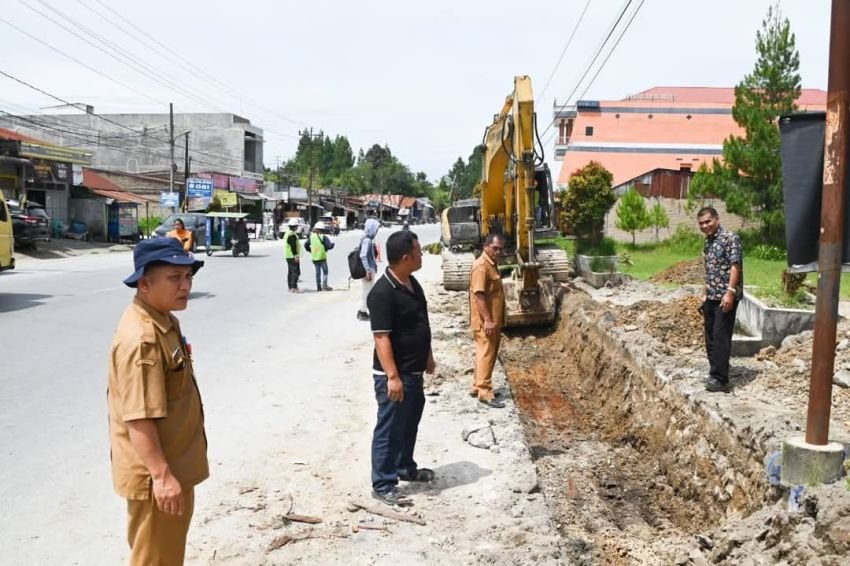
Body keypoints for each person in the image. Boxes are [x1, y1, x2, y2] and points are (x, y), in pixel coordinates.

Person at [107, 238, 208, 565]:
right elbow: (138, 417)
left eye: (188, 277)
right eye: (174, 278)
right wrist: (162, 477)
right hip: (159, 478)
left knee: (166, 557)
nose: (185, 286)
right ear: (144, 283)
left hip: (172, 469)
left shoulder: (163, 320)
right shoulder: (142, 339)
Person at [367, 230, 436, 506]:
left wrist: (427, 356)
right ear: (406, 257)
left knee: (409, 423)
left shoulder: (411, 283)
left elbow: (421, 322)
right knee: (390, 427)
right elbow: (381, 337)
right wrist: (393, 377)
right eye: (419, 252)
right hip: (394, 376)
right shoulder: (382, 293)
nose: (422, 255)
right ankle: (383, 483)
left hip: (414, 370)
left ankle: (405, 466)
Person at [698, 206, 743, 392]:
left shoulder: (730, 239)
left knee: (720, 335)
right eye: (701, 223)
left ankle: (721, 379)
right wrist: (705, 290)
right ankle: (714, 371)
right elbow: (710, 267)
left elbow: (735, 266)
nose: (705, 226)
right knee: (710, 336)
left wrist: (730, 292)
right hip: (711, 295)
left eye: (708, 221)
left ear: (717, 219)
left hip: (725, 295)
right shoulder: (708, 241)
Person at [468, 233, 507, 408]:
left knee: (483, 352)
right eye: (495, 248)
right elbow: (479, 295)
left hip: (491, 320)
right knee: (487, 353)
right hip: (486, 321)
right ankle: (485, 391)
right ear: (486, 247)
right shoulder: (482, 267)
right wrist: (489, 320)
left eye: (500, 249)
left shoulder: (491, 264)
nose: (498, 252)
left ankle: (477, 385)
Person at [356, 217, 381, 321]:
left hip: (369, 269)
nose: (376, 231)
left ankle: (363, 311)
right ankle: (362, 312)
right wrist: (368, 270)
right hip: (369, 269)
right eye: (375, 228)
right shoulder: (367, 241)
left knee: (367, 291)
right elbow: (363, 256)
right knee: (367, 292)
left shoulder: (366, 239)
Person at [308, 221, 335, 291]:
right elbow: (329, 246)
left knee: (317, 273)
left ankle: (318, 287)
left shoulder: (311, 237)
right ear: (322, 230)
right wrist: (332, 245)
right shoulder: (323, 237)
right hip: (322, 257)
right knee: (325, 272)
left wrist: (310, 250)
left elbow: (306, 245)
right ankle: (324, 286)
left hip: (314, 258)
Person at [284, 217, 302, 293]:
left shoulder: (287, 233)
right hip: (292, 256)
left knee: (291, 272)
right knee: (295, 271)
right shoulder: (292, 235)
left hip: (288, 256)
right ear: (294, 226)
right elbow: (293, 246)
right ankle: (293, 287)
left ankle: (290, 287)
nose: (297, 227)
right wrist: (296, 255)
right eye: (297, 226)